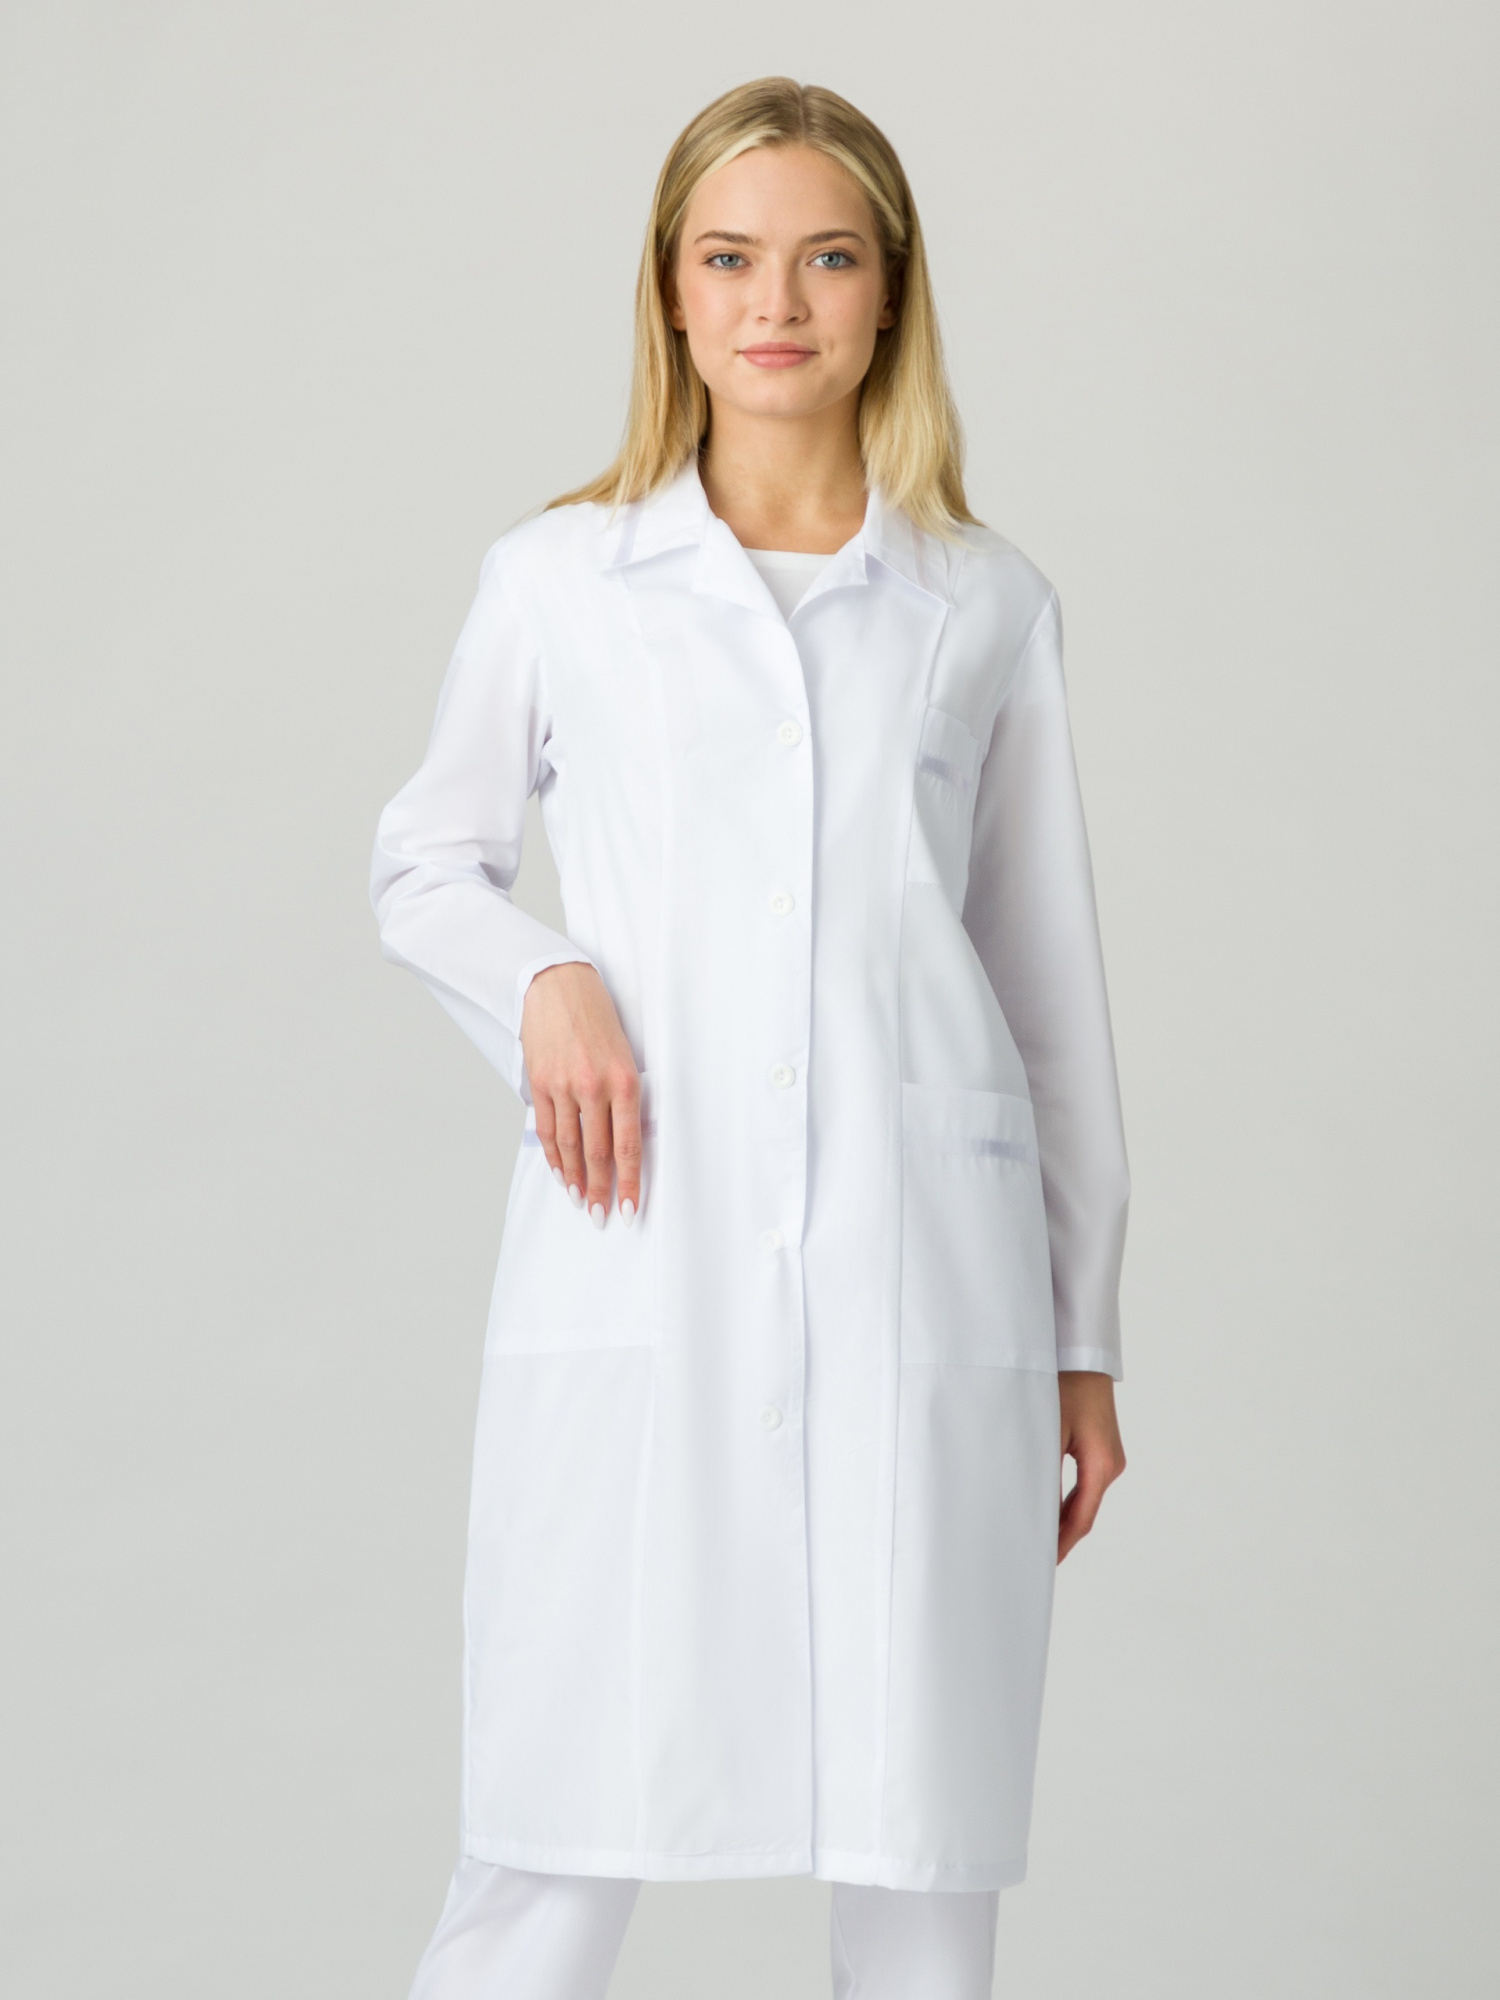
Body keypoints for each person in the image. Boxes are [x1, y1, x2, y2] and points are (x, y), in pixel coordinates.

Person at [371, 75, 1129, 2000]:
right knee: (552, 1834)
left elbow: (1042, 991)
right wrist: (543, 978)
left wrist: (1081, 1340)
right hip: (650, 1260)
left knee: (918, 1854)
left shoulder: (983, 605)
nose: (775, 302)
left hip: (921, 1281)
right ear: (671, 292)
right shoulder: (562, 580)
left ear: (891, 292)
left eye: (826, 258)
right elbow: (426, 864)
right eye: (729, 258)